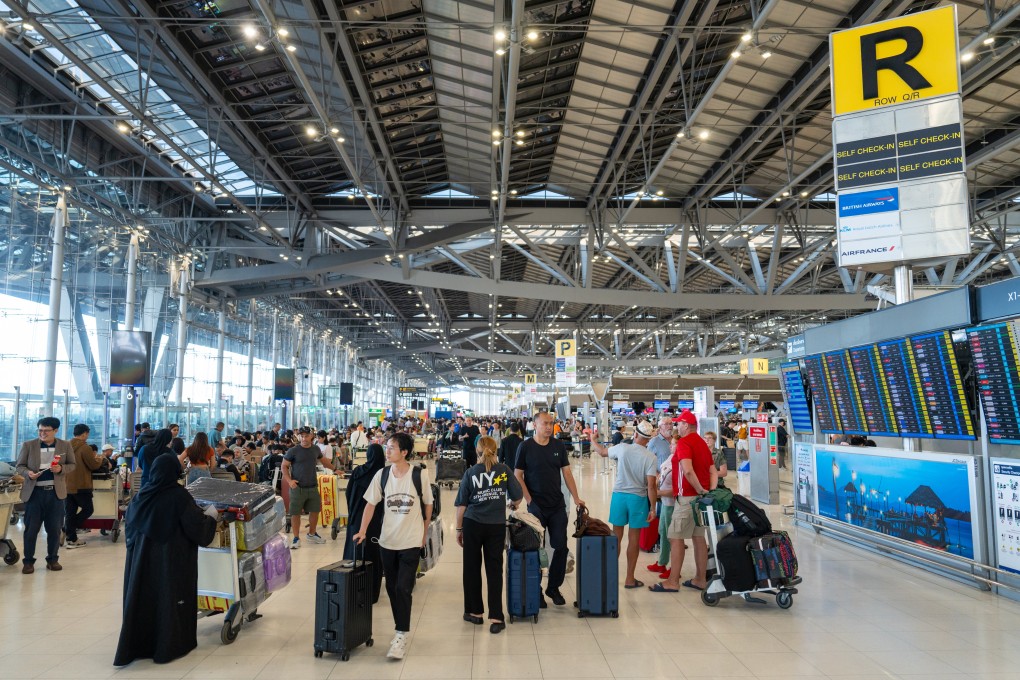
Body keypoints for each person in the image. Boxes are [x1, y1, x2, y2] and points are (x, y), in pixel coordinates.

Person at [113, 455, 217, 666]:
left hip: (141, 562)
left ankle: (139, 645)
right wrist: (212, 517)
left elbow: (131, 531)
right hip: (170, 560)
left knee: (143, 599)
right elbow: (197, 527)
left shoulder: (141, 496)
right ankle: (169, 644)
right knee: (169, 598)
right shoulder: (179, 496)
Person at [353, 433, 434, 661]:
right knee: (390, 589)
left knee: (403, 588)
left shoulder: (419, 475)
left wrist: (424, 533)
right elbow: (370, 504)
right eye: (387, 447)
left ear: (404, 452)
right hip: (387, 542)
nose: (387, 451)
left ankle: (401, 634)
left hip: (411, 541)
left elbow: (428, 504)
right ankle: (400, 627)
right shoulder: (383, 475)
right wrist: (362, 530)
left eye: (391, 448)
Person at [513, 411, 585, 607]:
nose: (548, 427)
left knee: (560, 546)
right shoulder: (525, 447)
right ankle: (536, 591)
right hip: (536, 506)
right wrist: (529, 500)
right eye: (545, 423)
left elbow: (567, 473)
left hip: (556, 506)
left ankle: (553, 587)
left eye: (551, 423)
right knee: (535, 548)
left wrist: (576, 498)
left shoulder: (558, 446)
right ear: (534, 425)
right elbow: (518, 475)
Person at [456, 436, 522, 634]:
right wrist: (511, 504)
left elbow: (462, 505)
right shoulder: (503, 471)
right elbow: (517, 496)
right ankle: (496, 617)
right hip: (495, 525)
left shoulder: (471, 472)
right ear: (496, 450)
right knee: (494, 570)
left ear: (478, 450)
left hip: (472, 524)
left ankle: (475, 613)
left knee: (472, 569)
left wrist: (458, 529)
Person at [653, 410, 717, 593]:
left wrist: (698, 490)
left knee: (675, 537)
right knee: (698, 539)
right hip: (701, 499)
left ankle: (673, 581)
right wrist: (707, 492)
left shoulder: (684, 443)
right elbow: (712, 471)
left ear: (686, 425)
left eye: (678, 423)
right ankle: (700, 579)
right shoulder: (703, 444)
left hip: (687, 498)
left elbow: (687, 471)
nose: (676, 426)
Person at [588, 421, 657, 588]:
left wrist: (592, 439)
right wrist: (653, 507)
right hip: (638, 500)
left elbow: (602, 452)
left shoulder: (622, 448)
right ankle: (629, 579)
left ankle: (609, 576)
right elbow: (651, 485)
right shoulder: (651, 457)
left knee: (616, 537)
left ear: (635, 435)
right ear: (648, 439)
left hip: (619, 497)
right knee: (634, 539)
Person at [15, 416, 77, 573]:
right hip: (34, 494)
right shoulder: (29, 445)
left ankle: (52, 559)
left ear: (55, 430)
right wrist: (28, 473)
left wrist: (61, 469)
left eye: (46, 431)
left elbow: (72, 464)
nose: (42, 433)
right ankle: (28, 562)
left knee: (54, 529)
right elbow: (19, 466)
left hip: (56, 494)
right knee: (31, 530)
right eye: (40, 430)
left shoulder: (65, 445)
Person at [343, 443, 386, 602]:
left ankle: (352, 587)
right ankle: (371, 591)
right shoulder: (383, 474)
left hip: (356, 517)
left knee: (354, 550)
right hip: (375, 519)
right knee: (373, 552)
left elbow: (348, 493)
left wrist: (353, 511)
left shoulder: (358, 471)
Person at [65, 423, 107, 549]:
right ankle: (67, 530)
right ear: (84, 433)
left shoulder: (65, 446)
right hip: (81, 484)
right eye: (87, 434)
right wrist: (99, 458)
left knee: (70, 512)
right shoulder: (85, 448)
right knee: (88, 509)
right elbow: (93, 465)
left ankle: (71, 538)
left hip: (67, 484)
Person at [282, 426, 326, 548]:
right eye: (302, 436)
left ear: (312, 436)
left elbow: (324, 461)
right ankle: (296, 538)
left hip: (312, 486)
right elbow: (284, 466)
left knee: (315, 511)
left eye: (306, 436)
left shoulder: (315, 449)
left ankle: (312, 534)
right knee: (295, 513)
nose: (304, 438)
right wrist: (289, 480)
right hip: (298, 488)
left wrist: (336, 469)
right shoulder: (293, 450)